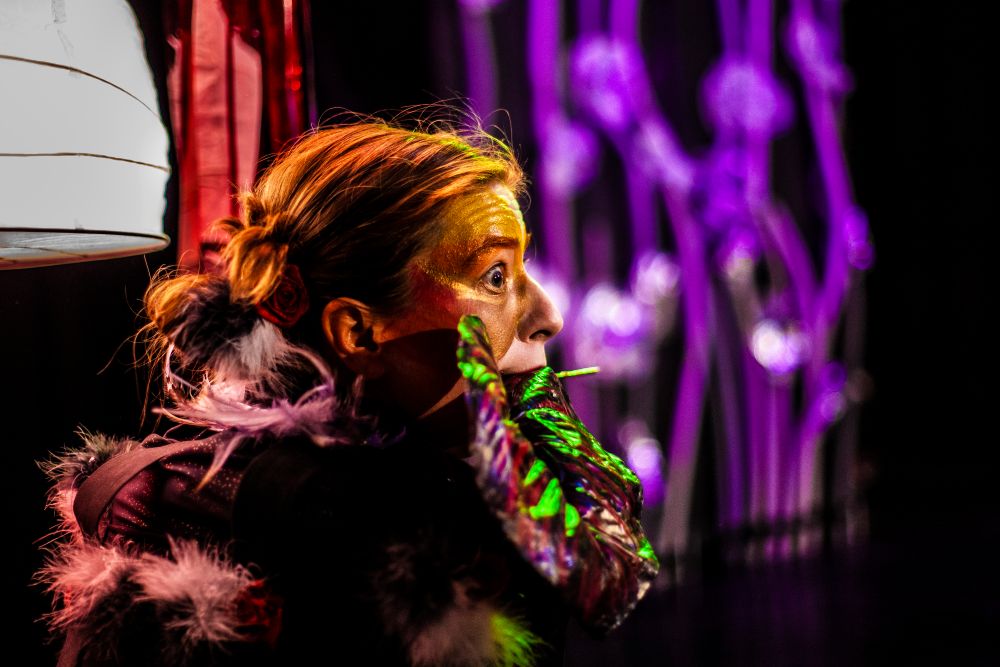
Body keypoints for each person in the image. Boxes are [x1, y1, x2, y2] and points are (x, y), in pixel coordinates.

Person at [39, 117, 659, 666]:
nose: (549, 316)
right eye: (496, 275)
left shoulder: (451, 483)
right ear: (359, 333)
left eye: (523, 268)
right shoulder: (301, 520)